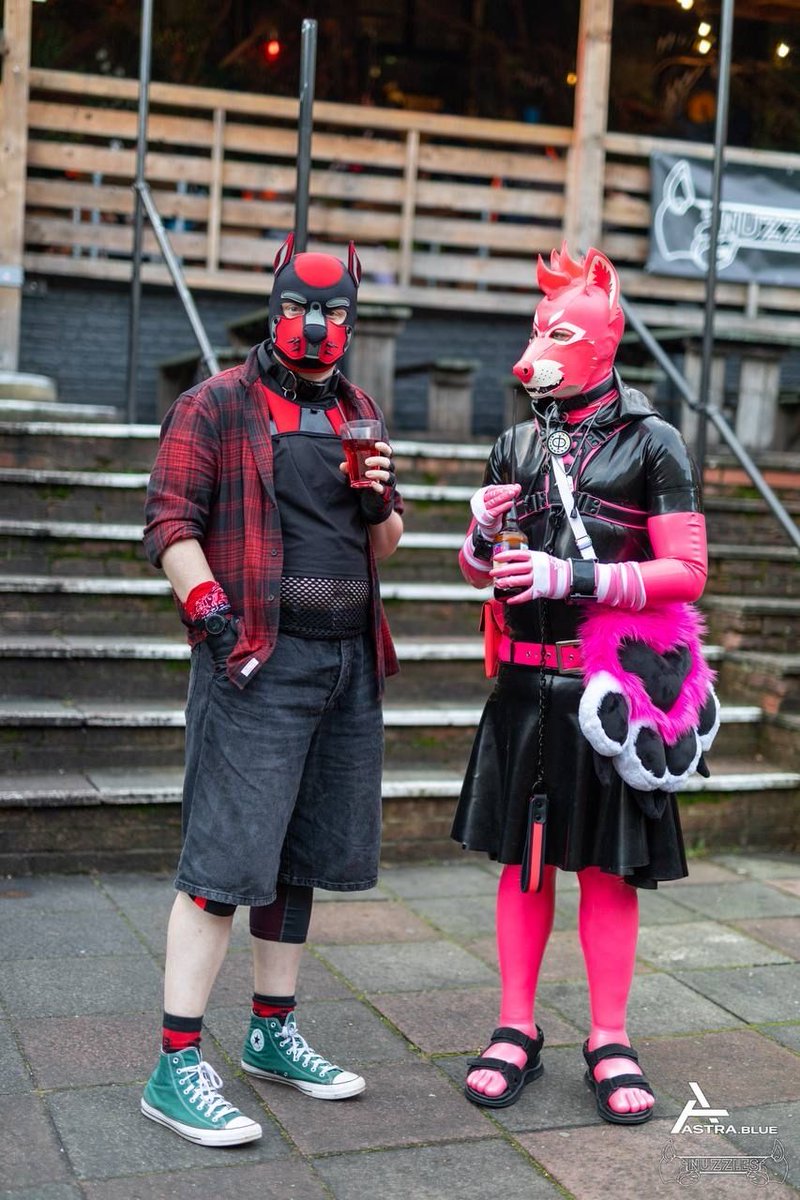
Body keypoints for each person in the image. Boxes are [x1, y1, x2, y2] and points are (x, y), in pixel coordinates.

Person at [141, 233, 403, 1146]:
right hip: (258, 660)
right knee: (222, 867)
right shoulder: (215, 403)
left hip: (346, 665)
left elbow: (387, 542)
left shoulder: (359, 409)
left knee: (298, 861)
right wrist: (214, 620)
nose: (315, 326)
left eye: (332, 312)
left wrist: (378, 502)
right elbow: (169, 522)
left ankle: (271, 1034)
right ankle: (175, 1065)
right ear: (274, 303)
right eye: (299, 307)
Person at [453, 244, 709, 1123]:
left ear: (605, 341)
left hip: (610, 694)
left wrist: (577, 577)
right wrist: (479, 538)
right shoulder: (515, 441)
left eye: (560, 334)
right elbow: (480, 572)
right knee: (523, 865)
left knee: (608, 870)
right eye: (539, 331)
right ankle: (514, 1027)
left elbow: (687, 573)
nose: (539, 350)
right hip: (524, 688)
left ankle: (609, 1036)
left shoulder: (655, 440)